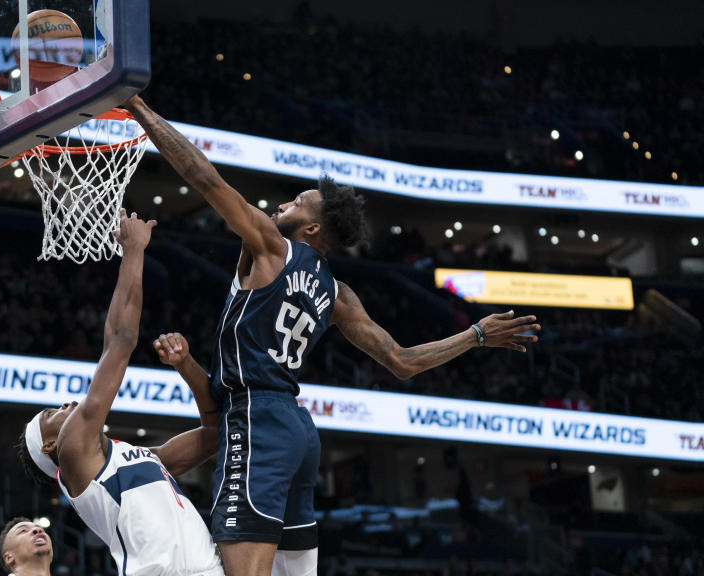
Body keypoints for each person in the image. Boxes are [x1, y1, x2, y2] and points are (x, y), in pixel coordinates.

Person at [123, 94, 542, 576]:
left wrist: (138, 107)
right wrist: (474, 335)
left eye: (297, 201)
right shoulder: (337, 293)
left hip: (257, 418)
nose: (283, 203)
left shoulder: (273, 248)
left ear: (313, 226)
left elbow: (204, 178)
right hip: (300, 433)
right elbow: (402, 361)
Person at [15, 211, 224, 576]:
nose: (64, 404)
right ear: (52, 447)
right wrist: (133, 251)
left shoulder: (144, 457)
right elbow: (121, 341)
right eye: (52, 414)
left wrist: (187, 365)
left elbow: (214, 433)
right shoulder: (74, 456)